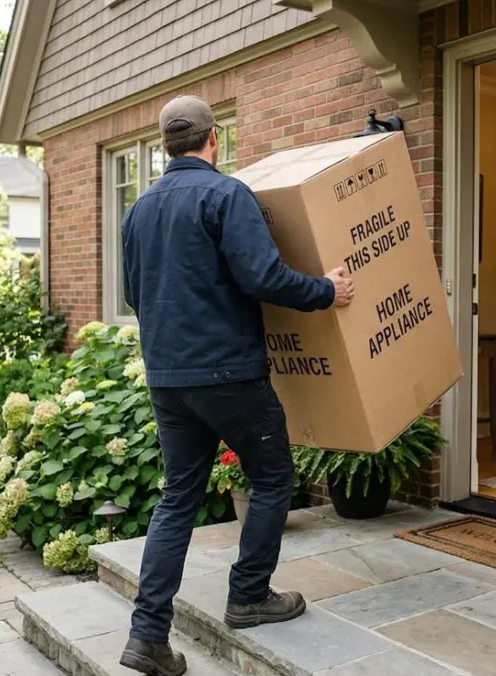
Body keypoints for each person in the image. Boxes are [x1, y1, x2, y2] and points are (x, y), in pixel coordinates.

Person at [117, 95, 355, 676]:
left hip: (169, 379)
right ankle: (249, 596)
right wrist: (328, 290)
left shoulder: (139, 209)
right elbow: (263, 276)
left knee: (178, 497)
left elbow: (133, 293)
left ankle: (147, 637)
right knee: (273, 477)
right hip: (228, 373)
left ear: (165, 144)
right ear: (213, 138)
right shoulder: (226, 195)